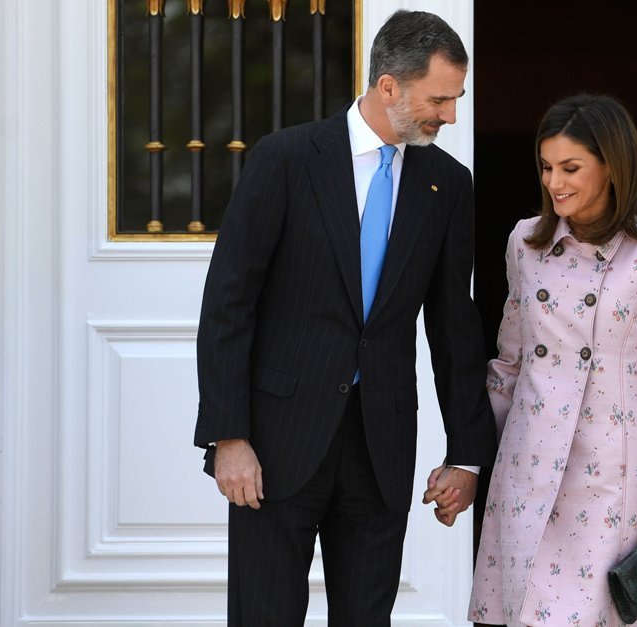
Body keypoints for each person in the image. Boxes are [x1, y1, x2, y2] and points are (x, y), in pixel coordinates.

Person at [194, 10, 497, 625]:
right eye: (439, 99)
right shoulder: (285, 159)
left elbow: (453, 326)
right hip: (275, 445)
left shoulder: (448, 183)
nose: (450, 116)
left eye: (456, 99)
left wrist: (466, 455)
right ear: (389, 86)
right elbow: (228, 305)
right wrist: (228, 436)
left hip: (381, 448)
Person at [468, 95, 637, 626]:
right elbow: (508, 365)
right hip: (529, 471)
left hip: (613, 478)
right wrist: (469, 460)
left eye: (570, 168)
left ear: (612, 166)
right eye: (546, 167)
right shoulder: (525, 242)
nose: (555, 182)